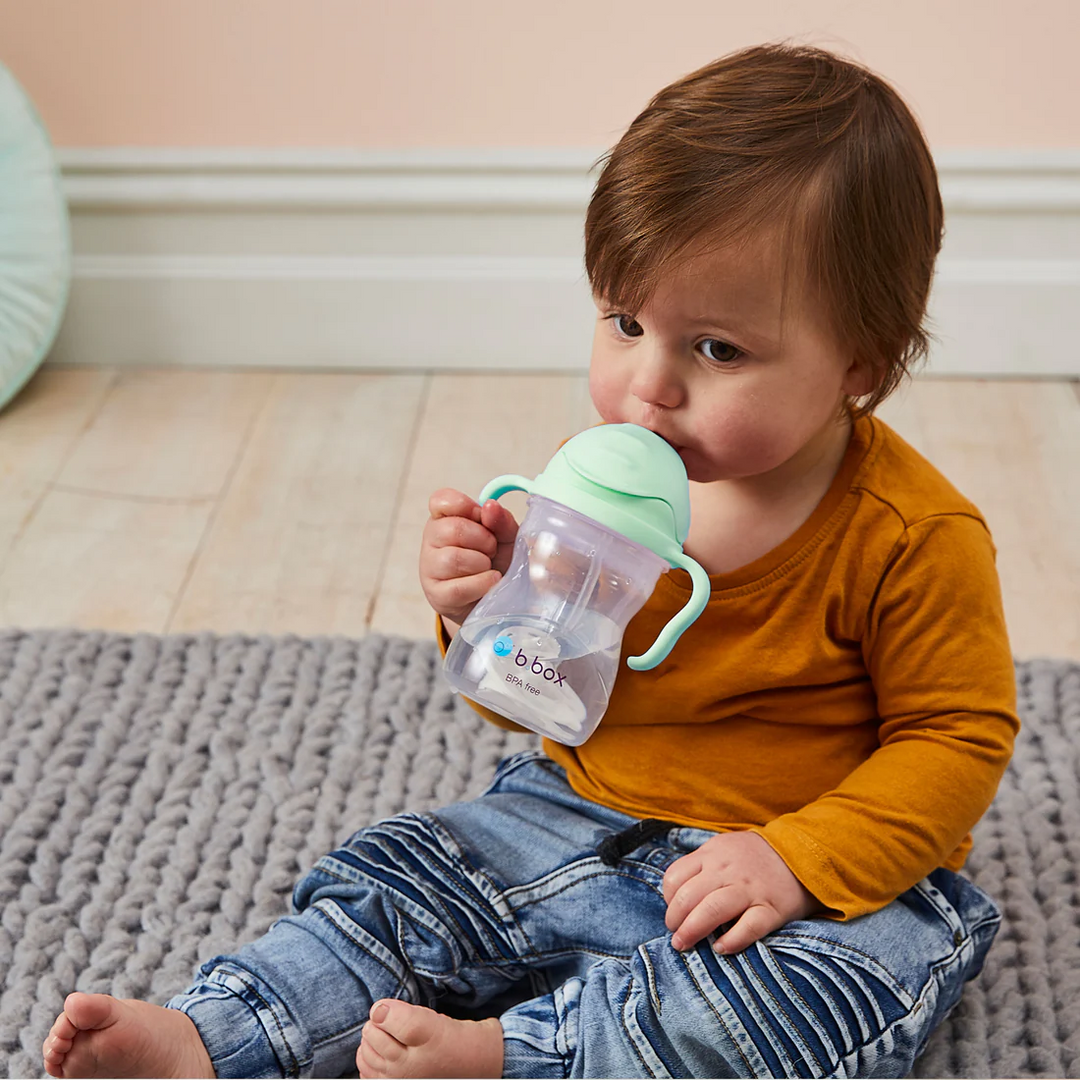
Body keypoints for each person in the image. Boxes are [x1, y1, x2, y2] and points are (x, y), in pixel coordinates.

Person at [43, 42, 1018, 1080]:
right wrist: (483, 612)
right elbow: (539, 695)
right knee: (408, 878)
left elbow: (957, 736)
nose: (648, 387)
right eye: (625, 321)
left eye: (718, 350)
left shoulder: (910, 535)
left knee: (815, 1003)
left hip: (800, 879)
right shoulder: (603, 487)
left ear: (860, 365)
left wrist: (798, 860)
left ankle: (516, 1057)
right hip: (574, 815)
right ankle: (218, 1034)